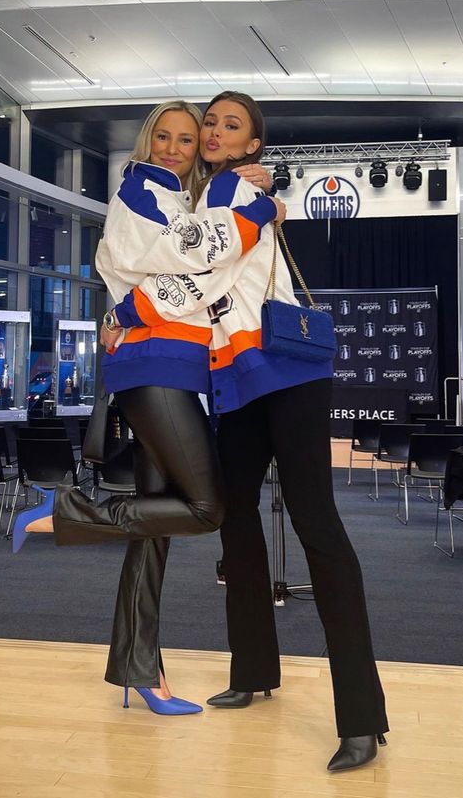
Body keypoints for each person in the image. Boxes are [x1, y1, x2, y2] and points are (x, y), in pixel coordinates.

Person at [105, 91, 389, 771]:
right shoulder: (196, 198)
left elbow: (198, 274)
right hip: (230, 379)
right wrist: (129, 310)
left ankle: (361, 715)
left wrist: (131, 304)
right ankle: (254, 668)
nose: (212, 132)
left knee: (316, 523)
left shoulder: (239, 190)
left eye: (230, 125)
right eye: (209, 121)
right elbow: (163, 258)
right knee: (233, 523)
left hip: (284, 370)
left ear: (252, 146)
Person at [12, 99, 282, 717]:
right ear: (147, 140)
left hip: (175, 369)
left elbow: (198, 278)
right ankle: (64, 511)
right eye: (164, 136)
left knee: (155, 527)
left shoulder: (179, 201)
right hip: (154, 366)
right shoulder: (141, 192)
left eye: (186, 140)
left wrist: (139, 301)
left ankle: (141, 669)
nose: (173, 147)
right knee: (207, 507)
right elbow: (199, 264)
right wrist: (258, 210)